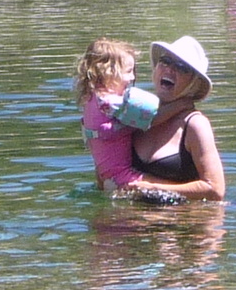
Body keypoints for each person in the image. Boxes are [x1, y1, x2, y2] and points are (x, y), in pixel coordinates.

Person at [128, 36, 226, 202]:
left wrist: (152, 188)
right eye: (165, 61)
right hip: (135, 222)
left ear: (194, 82)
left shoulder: (195, 124)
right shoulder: (135, 116)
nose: (169, 69)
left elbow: (215, 190)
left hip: (184, 223)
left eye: (181, 67)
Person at [74, 38, 172, 198]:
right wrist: (181, 107)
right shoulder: (110, 103)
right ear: (107, 71)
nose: (132, 77)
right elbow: (154, 118)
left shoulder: (90, 99)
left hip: (107, 178)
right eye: (128, 71)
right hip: (123, 178)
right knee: (175, 191)